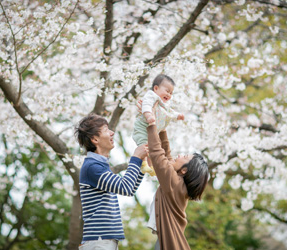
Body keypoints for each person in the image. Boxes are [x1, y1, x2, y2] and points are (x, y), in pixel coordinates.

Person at [74, 113, 147, 250]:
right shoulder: (92, 167)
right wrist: (136, 157)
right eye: (107, 130)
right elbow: (125, 187)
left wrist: (142, 166)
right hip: (99, 241)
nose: (112, 133)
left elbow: (129, 190)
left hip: (104, 240)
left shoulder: (100, 165)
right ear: (95, 139)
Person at [146, 122, 209, 250]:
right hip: (168, 241)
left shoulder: (175, 184)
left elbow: (158, 156)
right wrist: (162, 127)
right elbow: (167, 155)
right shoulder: (178, 184)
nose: (179, 155)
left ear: (184, 170)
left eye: (184, 157)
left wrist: (152, 125)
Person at [132, 74, 184, 176]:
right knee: (144, 146)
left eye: (171, 93)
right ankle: (143, 164)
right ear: (156, 88)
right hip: (142, 128)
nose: (169, 95)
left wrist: (178, 116)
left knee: (152, 149)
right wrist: (148, 115)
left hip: (153, 131)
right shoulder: (152, 96)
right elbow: (145, 105)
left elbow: (170, 113)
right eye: (167, 91)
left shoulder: (164, 104)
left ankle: (151, 167)